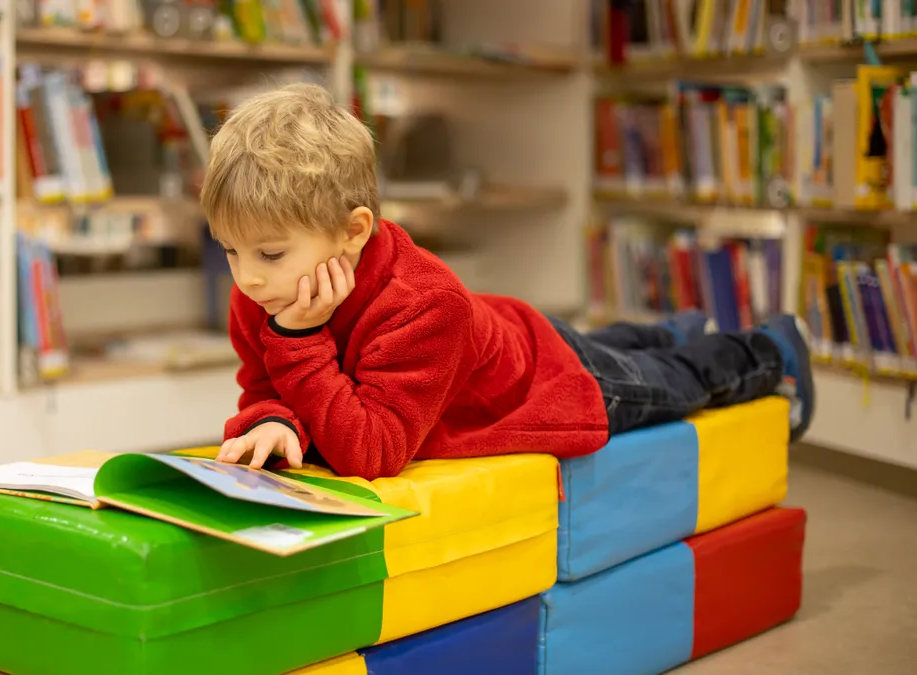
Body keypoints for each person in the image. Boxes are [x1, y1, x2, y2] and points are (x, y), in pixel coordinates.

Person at [201, 83, 813, 482]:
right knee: (619, 343)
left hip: (541, 380)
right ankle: (670, 329)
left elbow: (374, 452)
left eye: (271, 253)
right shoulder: (264, 290)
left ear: (353, 231)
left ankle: (770, 348)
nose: (247, 276)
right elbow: (265, 385)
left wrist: (300, 341)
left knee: (680, 381)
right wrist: (271, 421)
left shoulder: (423, 304)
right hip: (499, 330)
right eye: (229, 250)